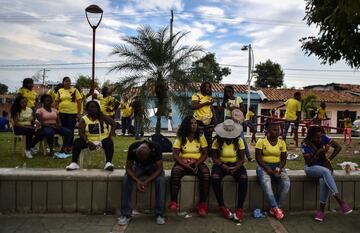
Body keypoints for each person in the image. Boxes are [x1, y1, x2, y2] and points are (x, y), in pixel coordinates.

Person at [301, 126, 352, 222]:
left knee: (324, 179)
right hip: (311, 168)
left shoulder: (323, 137)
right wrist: (319, 152)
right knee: (326, 172)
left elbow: (338, 147)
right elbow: (309, 163)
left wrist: (329, 159)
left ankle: (321, 211)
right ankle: (339, 200)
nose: (320, 139)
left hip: (324, 167)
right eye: (317, 137)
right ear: (311, 136)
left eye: (321, 137)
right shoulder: (305, 144)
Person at [169, 116, 210, 216]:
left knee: (206, 174)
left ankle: (202, 204)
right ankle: (174, 202)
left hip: (197, 162)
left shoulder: (200, 136)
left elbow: (205, 154)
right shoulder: (181, 137)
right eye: (192, 123)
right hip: (183, 162)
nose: (194, 125)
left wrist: (197, 163)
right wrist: (185, 165)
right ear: (187, 125)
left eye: (195, 123)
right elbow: (175, 154)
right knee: (175, 172)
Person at [118, 141, 166, 226]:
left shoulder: (156, 148)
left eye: (143, 159)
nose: (141, 160)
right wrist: (138, 181)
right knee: (126, 179)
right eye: (139, 158)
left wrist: (146, 181)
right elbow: (128, 168)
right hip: (138, 167)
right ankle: (126, 214)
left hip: (153, 167)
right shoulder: (133, 147)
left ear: (149, 154)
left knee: (161, 180)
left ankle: (159, 214)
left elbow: (159, 169)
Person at [211, 119, 248, 222]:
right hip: (220, 165)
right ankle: (222, 206)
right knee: (215, 177)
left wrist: (236, 167)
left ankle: (240, 209)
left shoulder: (239, 140)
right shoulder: (217, 141)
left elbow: (242, 159)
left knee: (243, 178)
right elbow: (214, 158)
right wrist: (223, 166)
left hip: (235, 165)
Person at [66, 101, 116, 171]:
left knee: (109, 142)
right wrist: (87, 141)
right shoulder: (84, 119)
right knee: (77, 141)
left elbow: (113, 123)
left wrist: (111, 135)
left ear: (98, 108)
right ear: (87, 109)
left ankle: (108, 163)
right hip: (89, 141)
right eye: (91, 107)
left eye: (95, 107)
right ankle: (74, 163)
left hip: (102, 140)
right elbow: (81, 132)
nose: (93, 109)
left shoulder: (102, 117)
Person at [255, 123, 290, 221]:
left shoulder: (282, 142)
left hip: (277, 167)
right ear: (268, 131)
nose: (278, 132)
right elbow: (258, 158)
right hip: (263, 167)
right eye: (275, 130)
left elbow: (283, 159)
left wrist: (279, 168)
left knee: (286, 182)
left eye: (278, 130)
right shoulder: (261, 141)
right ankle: (276, 208)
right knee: (266, 183)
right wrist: (267, 168)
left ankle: (275, 208)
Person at [222, 85, 253, 162]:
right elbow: (223, 109)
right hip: (228, 119)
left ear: (233, 91)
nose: (228, 93)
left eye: (229, 91)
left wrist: (233, 107)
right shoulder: (225, 101)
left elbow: (243, 109)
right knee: (227, 138)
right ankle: (227, 155)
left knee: (241, 138)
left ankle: (249, 156)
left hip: (237, 120)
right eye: (226, 92)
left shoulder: (238, 98)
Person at [54, 77, 82, 152]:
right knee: (64, 130)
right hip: (61, 113)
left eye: (69, 81)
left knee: (70, 130)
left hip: (72, 113)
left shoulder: (75, 90)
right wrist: (52, 110)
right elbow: (56, 102)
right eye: (66, 81)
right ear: (63, 82)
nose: (68, 82)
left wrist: (79, 113)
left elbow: (79, 102)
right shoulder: (60, 91)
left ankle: (70, 146)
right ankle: (65, 145)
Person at [191, 82, 214, 148]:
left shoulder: (209, 97)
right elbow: (193, 107)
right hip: (199, 120)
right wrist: (205, 104)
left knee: (209, 137)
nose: (207, 89)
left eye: (209, 87)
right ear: (202, 87)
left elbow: (211, 109)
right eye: (206, 87)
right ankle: (199, 152)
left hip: (209, 120)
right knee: (199, 136)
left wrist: (214, 117)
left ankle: (209, 155)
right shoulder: (196, 95)